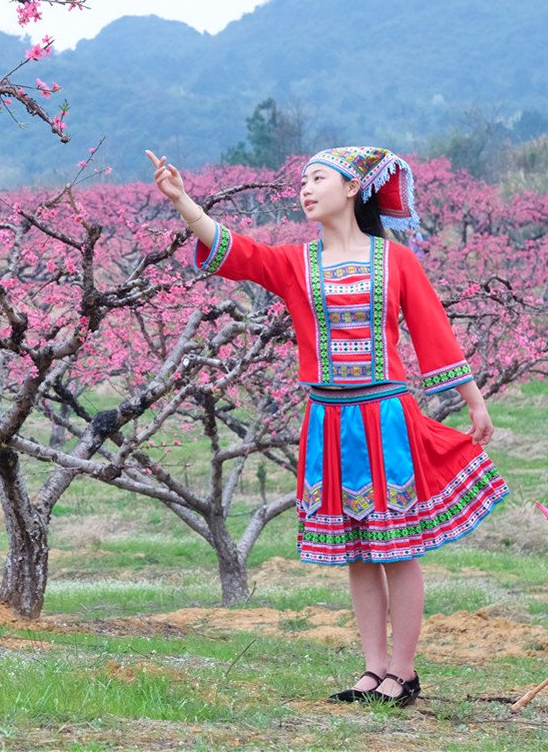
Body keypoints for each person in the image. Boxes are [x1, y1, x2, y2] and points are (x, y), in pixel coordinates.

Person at [145, 147, 509, 707]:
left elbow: (432, 330)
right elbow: (234, 252)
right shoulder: (295, 263)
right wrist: (181, 200)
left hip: (387, 415)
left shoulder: (396, 261)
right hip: (330, 419)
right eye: (302, 182)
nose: (305, 190)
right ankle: (373, 669)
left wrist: (473, 400)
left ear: (352, 189)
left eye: (318, 179)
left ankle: (405, 672)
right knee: (358, 549)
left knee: (399, 546)